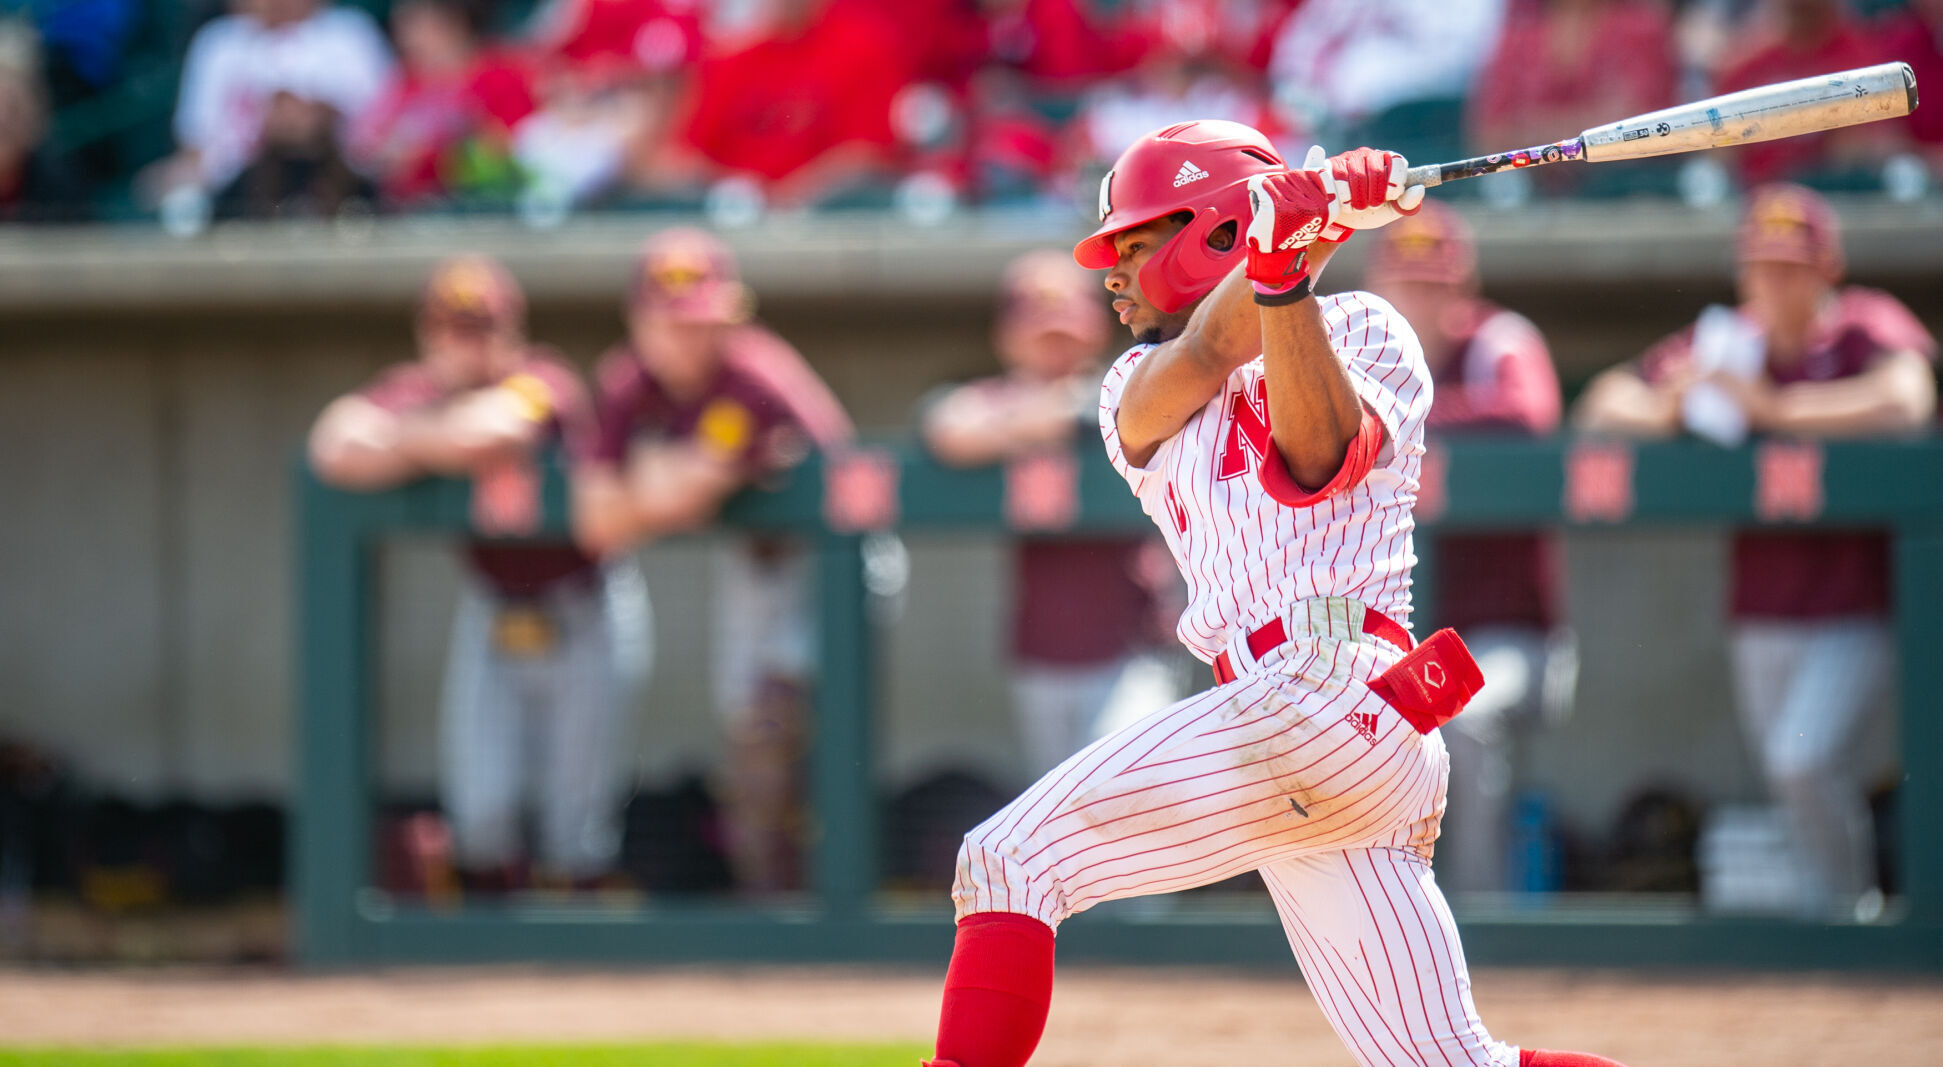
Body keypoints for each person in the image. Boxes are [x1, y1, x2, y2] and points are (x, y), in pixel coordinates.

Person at [921, 119, 1626, 1067]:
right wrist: (1300, 239)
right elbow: (1216, 345)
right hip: (1301, 725)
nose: (1110, 275)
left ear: (1207, 228)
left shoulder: (1368, 329)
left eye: (1131, 243)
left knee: (1008, 861)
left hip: (1333, 690)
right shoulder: (1131, 383)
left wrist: (1295, 263)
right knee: (1450, 1062)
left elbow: (1317, 457)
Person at [1575, 183, 1936, 921]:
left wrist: (1775, 410)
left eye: (1791, 265)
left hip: (1854, 604)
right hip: (1760, 609)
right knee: (1792, 776)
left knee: (1801, 763)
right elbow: (1601, 403)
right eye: (1762, 266)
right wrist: (1667, 405)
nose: (1774, 282)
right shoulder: (1725, 343)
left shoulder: (1863, 324)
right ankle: (1827, 920)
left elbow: (1909, 398)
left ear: (1825, 267)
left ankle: (1851, 915)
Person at [308, 255, 640, 893]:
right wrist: (427, 434)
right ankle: (494, 973)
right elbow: (333, 446)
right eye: (451, 330)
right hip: (494, 608)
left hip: (583, 603)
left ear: (511, 331)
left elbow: (492, 432)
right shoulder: (420, 391)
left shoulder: (542, 377)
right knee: (482, 810)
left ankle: (583, 973)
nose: (467, 347)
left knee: (578, 818)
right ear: (427, 335)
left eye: (482, 328)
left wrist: (404, 443)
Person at [575, 227, 852, 895]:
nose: (686, 339)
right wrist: (661, 481)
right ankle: (780, 900)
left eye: (701, 322)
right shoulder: (626, 380)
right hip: (756, 568)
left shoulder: (753, 373)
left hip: (836, 563)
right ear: (638, 320)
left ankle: (817, 901)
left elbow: (669, 497)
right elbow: (594, 522)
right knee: (752, 734)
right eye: (669, 323)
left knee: (796, 737)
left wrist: (648, 473)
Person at [1362, 202, 1573, 895]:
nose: (1422, 300)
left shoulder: (1496, 341)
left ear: (1463, 287)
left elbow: (1527, 413)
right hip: (1388, 635)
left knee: (1463, 718)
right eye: (1407, 284)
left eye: (1437, 284)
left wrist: (1400, 422)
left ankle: (1478, 915)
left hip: (1503, 631)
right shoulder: (1359, 350)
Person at [922, 249, 1180, 780]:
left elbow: (1107, 405)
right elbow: (945, 427)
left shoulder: (1127, 385)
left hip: (1130, 642)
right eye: (1041, 332)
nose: (1053, 342)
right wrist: (1046, 418)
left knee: (1124, 791)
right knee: (1062, 809)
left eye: (1064, 330)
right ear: (1008, 336)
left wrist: (1065, 412)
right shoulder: (995, 399)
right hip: (1041, 649)